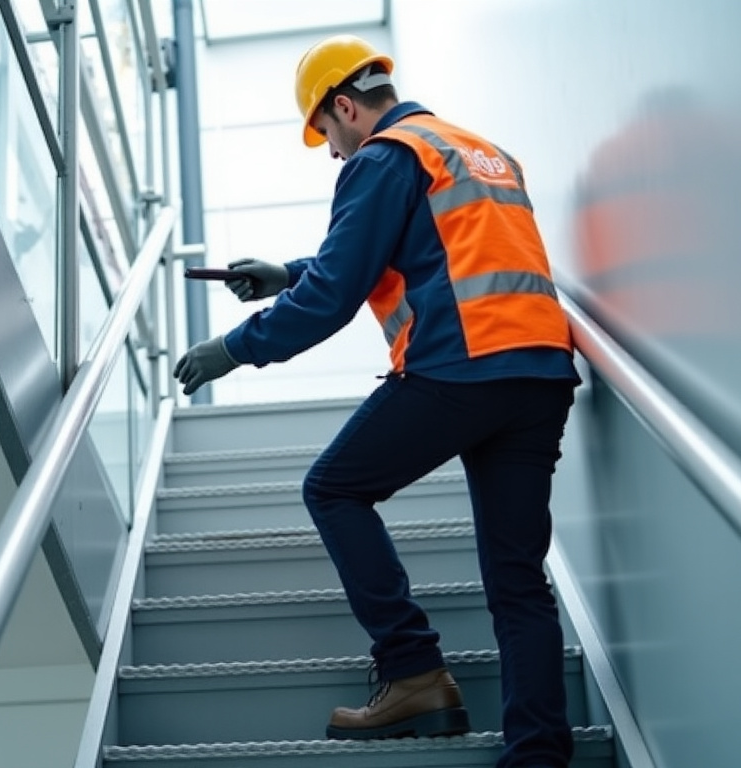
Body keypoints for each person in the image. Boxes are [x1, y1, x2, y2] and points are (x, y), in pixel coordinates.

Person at [172, 34, 580, 768]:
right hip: (541, 371)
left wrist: (232, 349)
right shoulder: (475, 150)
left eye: (327, 134)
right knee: (519, 582)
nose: (333, 153)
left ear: (346, 107)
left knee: (333, 488)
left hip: (459, 367)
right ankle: (539, 756)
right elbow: (417, 245)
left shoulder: (383, 157)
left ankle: (413, 670)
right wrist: (286, 272)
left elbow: (335, 294)